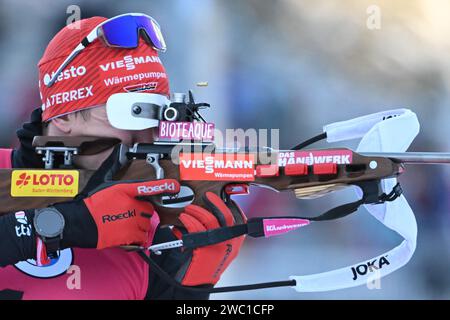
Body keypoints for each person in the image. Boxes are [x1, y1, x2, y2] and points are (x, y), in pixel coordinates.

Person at [0, 14, 245, 300]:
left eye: (157, 119)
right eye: (132, 114)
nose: (146, 138)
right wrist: (56, 226)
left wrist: (189, 290)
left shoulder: (151, 232)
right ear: (65, 116)